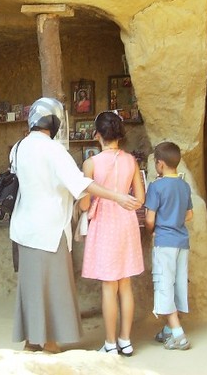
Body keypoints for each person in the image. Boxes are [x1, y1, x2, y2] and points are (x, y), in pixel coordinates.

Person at [9, 97, 142, 354]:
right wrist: (117, 196)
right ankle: (49, 342)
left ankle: (31, 340)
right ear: (55, 121)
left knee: (32, 286)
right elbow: (81, 184)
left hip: (24, 227)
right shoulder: (53, 149)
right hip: (50, 227)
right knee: (53, 286)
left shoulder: (18, 147)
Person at [80, 111, 145, 356]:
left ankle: (109, 344)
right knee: (125, 284)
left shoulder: (91, 163)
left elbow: (85, 204)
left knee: (109, 286)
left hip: (104, 223)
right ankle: (125, 341)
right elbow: (140, 198)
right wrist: (124, 202)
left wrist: (87, 204)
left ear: (97, 134)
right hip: (126, 221)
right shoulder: (131, 161)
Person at [144, 141, 193, 351]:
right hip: (182, 242)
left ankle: (178, 334)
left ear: (160, 164)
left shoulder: (156, 186)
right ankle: (167, 330)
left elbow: (149, 219)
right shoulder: (184, 185)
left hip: (164, 242)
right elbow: (189, 214)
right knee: (177, 284)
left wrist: (151, 230)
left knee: (164, 284)